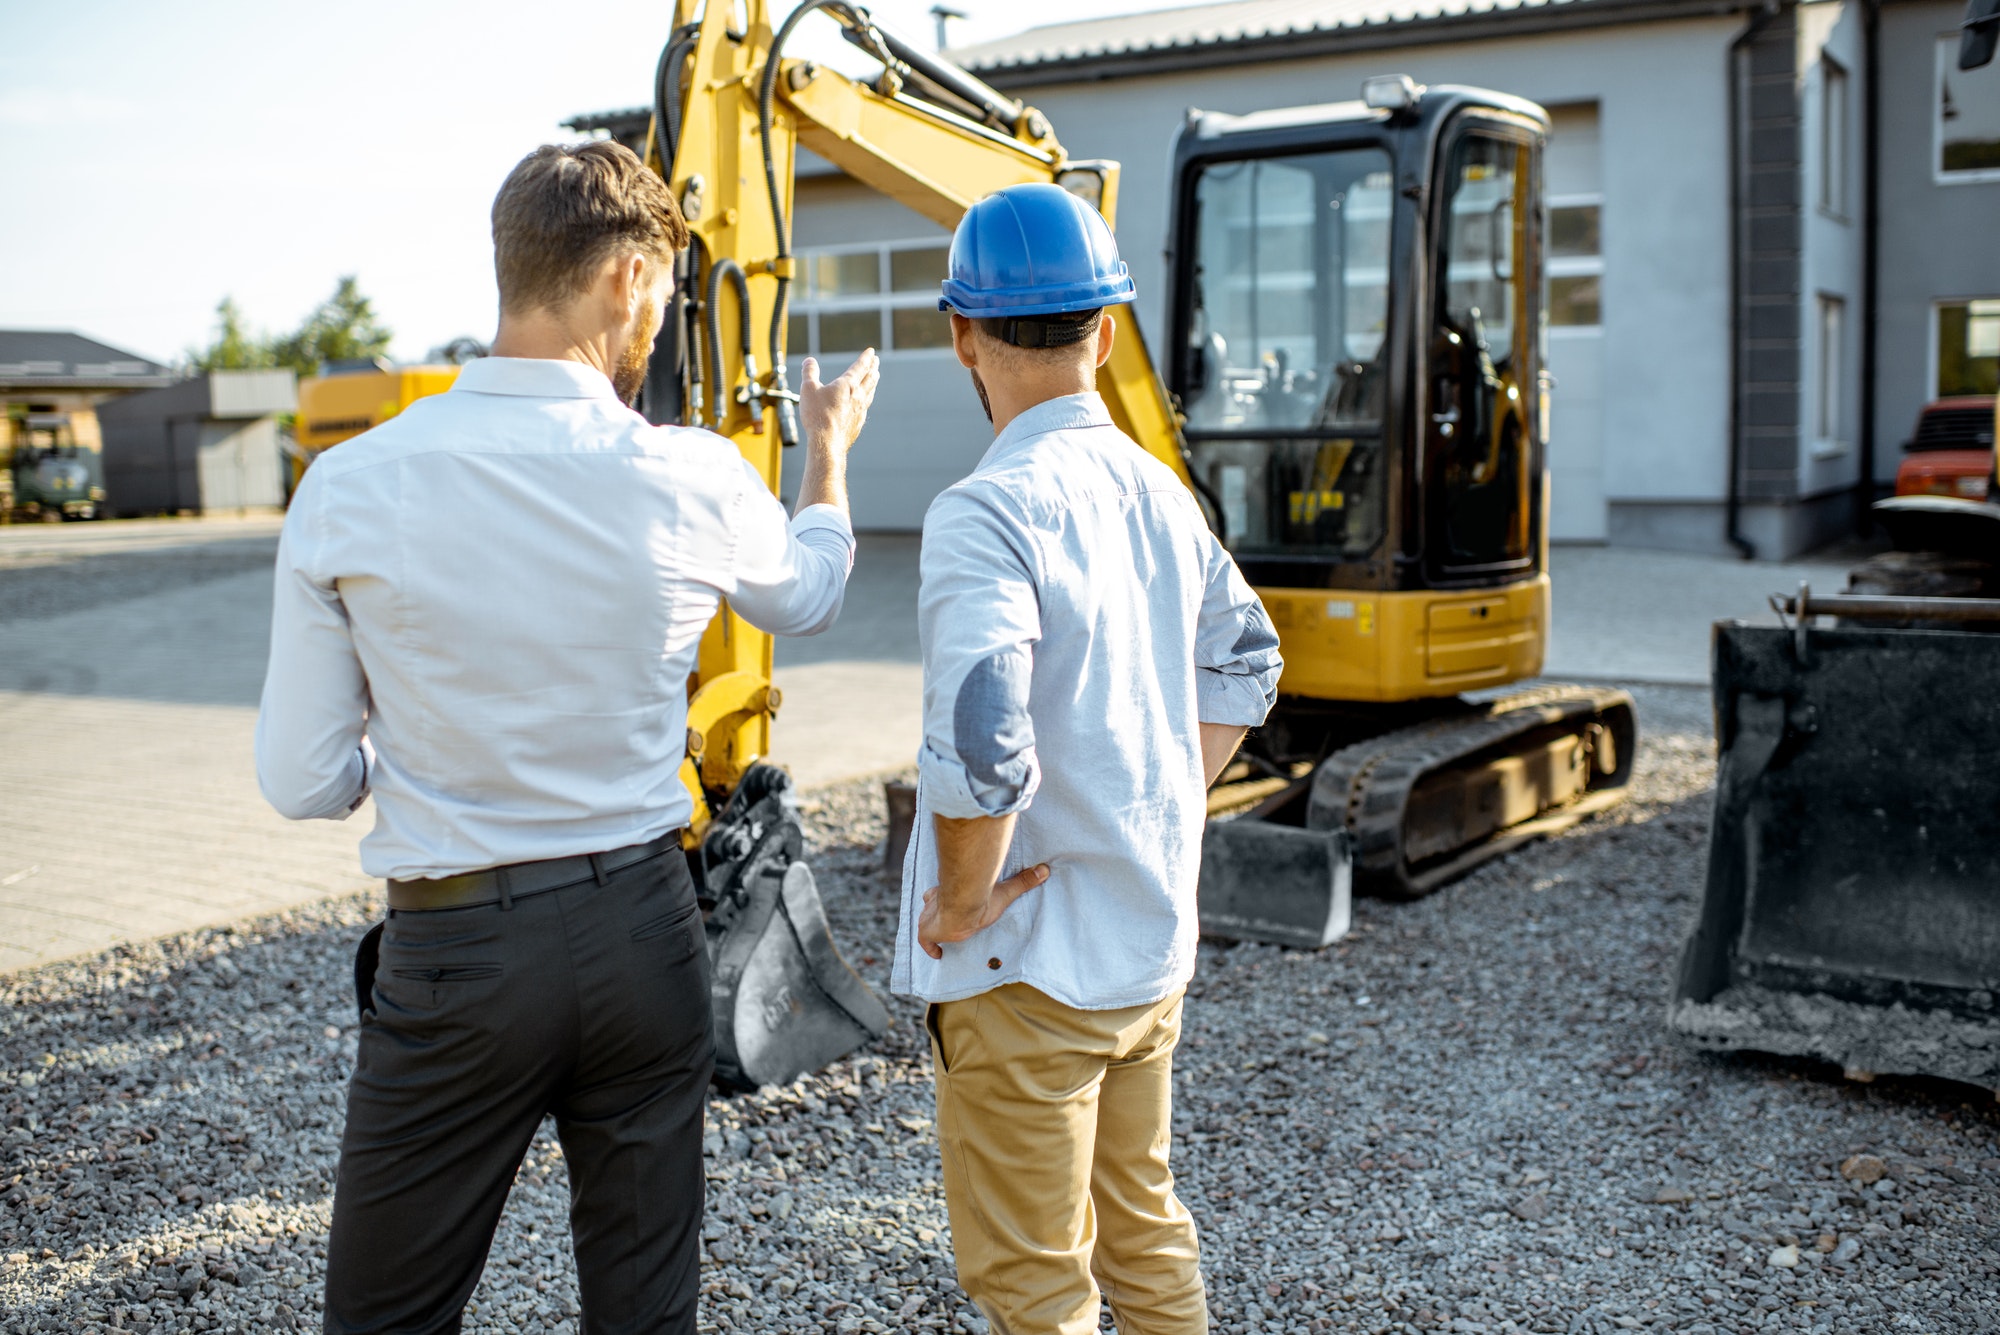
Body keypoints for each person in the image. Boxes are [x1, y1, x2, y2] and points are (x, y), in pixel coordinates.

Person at [254, 140, 880, 1335]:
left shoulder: (350, 485)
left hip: (457, 956)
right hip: (643, 934)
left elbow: (302, 778)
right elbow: (808, 594)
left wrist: (412, 754)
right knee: (644, 1314)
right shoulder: (689, 473)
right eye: (665, 295)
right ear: (628, 278)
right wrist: (828, 454)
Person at [896, 183, 1284, 1335]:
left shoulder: (986, 511)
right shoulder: (1159, 491)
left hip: (1026, 967)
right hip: (1143, 952)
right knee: (1142, 1233)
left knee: (1036, 1288)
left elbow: (983, 741)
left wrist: (959, 901)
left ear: (961, 334)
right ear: (1104, 335)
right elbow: (1250, 659)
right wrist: (1157, 796)